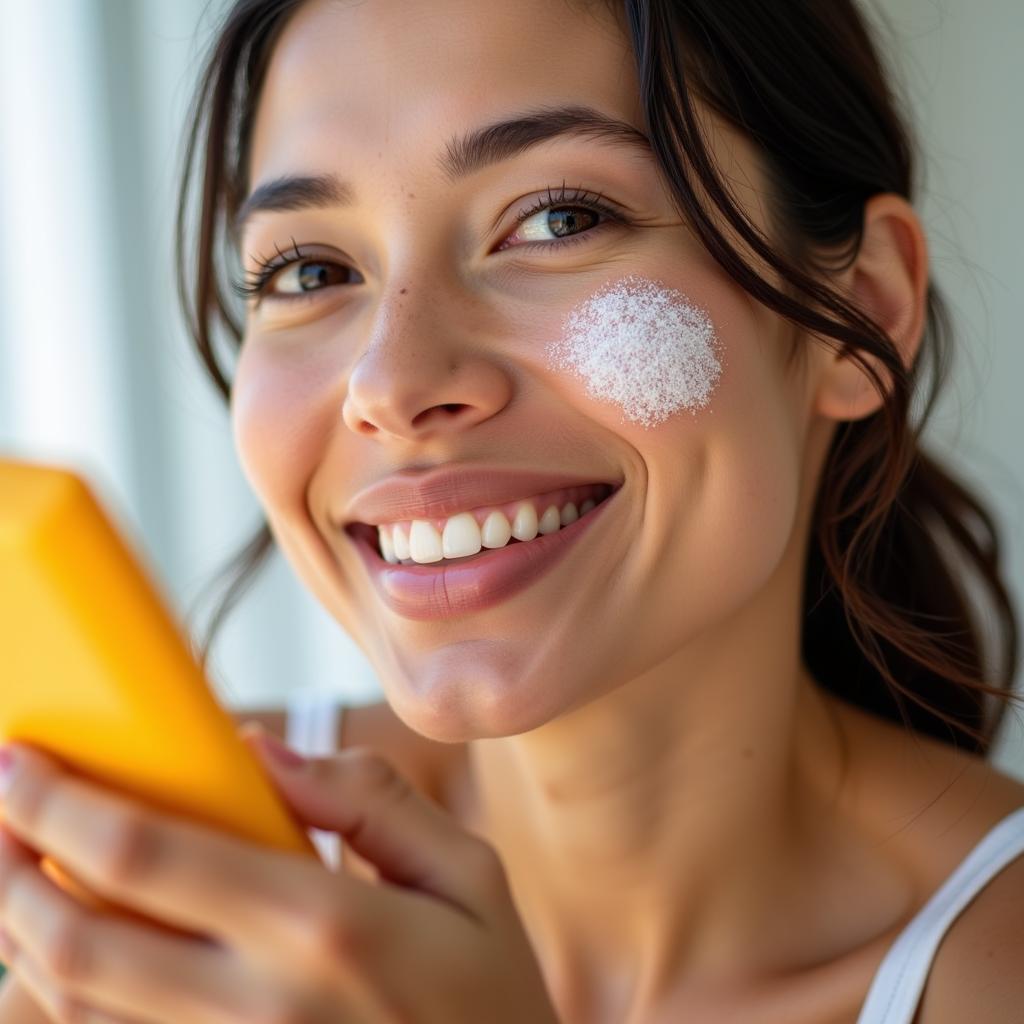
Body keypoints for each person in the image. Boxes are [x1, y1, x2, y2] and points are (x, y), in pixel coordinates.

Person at [0, 0, 1022, 1020]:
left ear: (864, 314)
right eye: (310, 271)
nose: (394, 383)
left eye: (558, 219)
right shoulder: (144, 888)